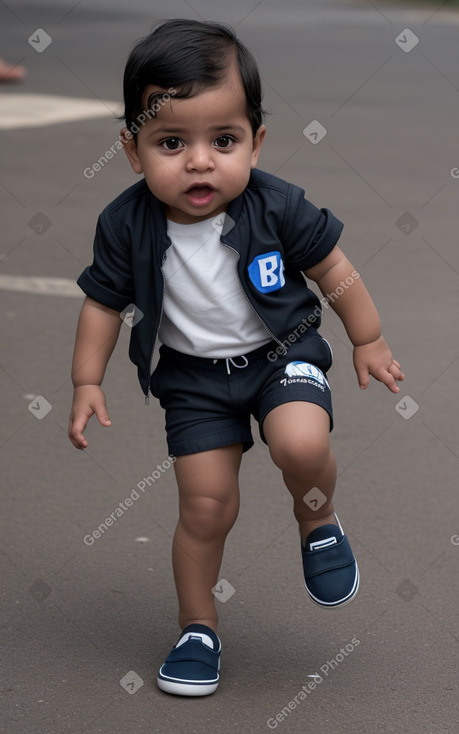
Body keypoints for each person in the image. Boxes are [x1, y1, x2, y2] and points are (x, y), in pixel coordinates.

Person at [68, 19, 404, 697]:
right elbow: (103, 303)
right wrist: (86, 379)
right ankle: (197, 628)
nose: (199, 161)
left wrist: (365, 337)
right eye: (171, 143)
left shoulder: (275, 205)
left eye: (223, 141)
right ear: (132, 152)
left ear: (255, 141)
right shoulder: (125, 223)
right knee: (204, 506)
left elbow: (332, 267)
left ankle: (315, 518)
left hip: (281, 355)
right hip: (193, 382)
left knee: (301, 443)